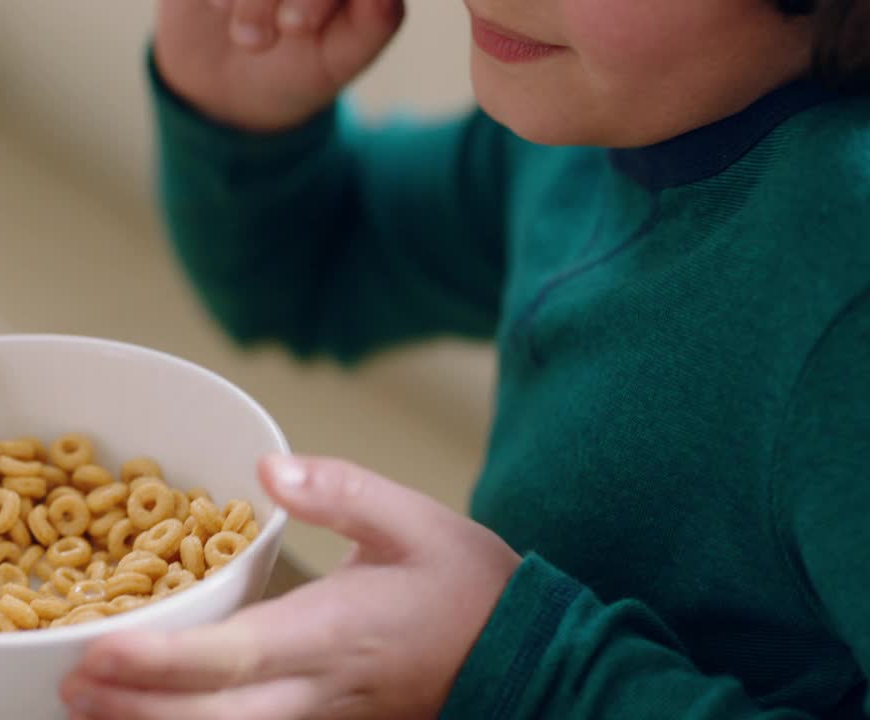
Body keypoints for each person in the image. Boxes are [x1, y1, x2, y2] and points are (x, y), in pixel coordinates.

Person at [61, 0, 870, 717]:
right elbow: (320, 265)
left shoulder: (845, 287)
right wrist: (239, 111)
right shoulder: (595, 116)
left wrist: (515, 665)